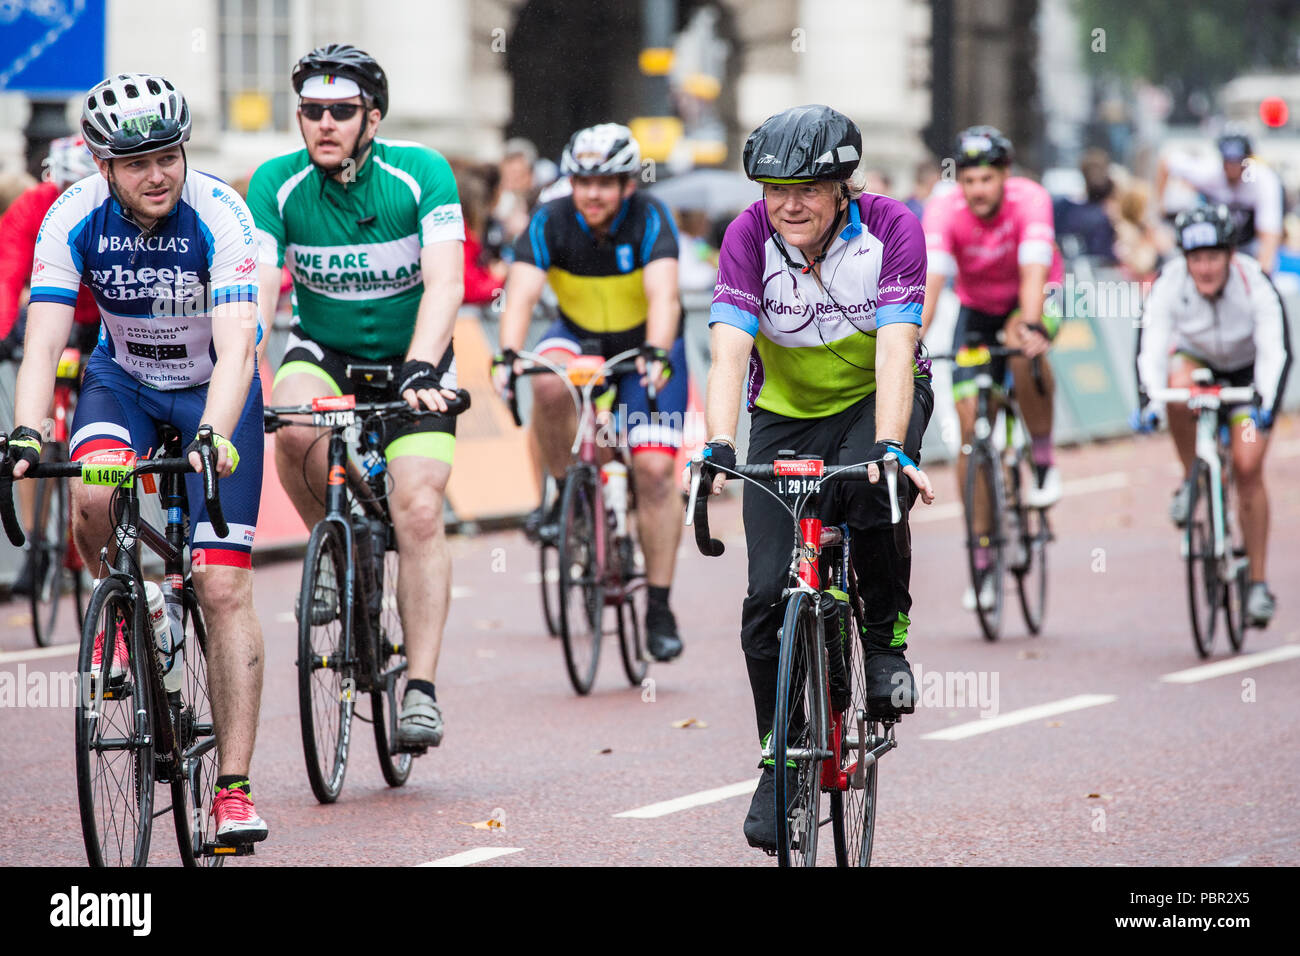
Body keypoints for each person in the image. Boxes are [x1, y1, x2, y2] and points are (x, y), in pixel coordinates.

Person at [8, 73, 268, 843]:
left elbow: (237, 351)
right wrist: (26, 430)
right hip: (123, 382)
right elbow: (45, 337)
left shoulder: (221, 212)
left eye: (168, 156)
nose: (157, 174)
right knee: (92, 496)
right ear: (102, 164)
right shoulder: (71, 216)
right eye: (136, 162)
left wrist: (215, 433)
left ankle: (232, 790)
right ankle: (136, 603)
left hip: (211, 388)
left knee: (222, 587)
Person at [704, 104, 935, 852]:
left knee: (873, 486)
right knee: (768, 593)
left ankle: (884, 640)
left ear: (844, 188)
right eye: (775, 190)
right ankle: (779, 755)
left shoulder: (893, 229)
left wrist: (894, 448)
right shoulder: (748, 237)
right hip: (784, 415)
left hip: (877, 396)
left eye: (808, 189)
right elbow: (727, 350)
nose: (789, 205)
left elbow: (897, 349)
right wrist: (715, 441)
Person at [248, 44, 465, 750]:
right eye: (311, 111)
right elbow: (254, 290)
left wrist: (424, 367)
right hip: (326, 352)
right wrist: (239, 368)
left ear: (373, 117)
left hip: (412, 362)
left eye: (342, 111)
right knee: (293, 425)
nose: (324, 124)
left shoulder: (421, 172)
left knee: (420, 509)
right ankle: (332, 547)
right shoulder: (276, 184)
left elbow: (447, 282)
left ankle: (422, 691)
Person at [491, 122, 688, 662]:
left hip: (647, 343)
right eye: (582, 181)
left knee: (651, 472)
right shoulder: (550, 219)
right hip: (576, 336)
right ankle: (564, 493)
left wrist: (655, 350)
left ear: (628, 184)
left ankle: (661, 609)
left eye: (605, 182)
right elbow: (522, 295)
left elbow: (665, 297)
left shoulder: (651, 217)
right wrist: (506, 355)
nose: (592, 193)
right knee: (548, 384)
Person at [920, 125, 1064, 612]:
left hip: (1035, 294)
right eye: (968, 180)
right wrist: (909, 343)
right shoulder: (944, 209)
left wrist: (1029, 326)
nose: (977, 190)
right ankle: (982, 559)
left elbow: (1032, 271)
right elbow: (932, 286)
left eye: (986, 179)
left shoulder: (1030, 200)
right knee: (967, 428)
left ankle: (1042, 459)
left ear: (1005, 175)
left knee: (1022, 349)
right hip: (976, 311)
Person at [1135, 204, 1291, 626]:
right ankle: (1192, 477)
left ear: (1230, 254)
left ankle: (1257, 583)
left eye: (1213, 257)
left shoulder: (1253, 281)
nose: (1204, 267)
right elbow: (1150, 346)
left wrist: (1265, 406)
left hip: (1245, 374)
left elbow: (1277, 351)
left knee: (1247, 467)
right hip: (1196, 361)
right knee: (1177, 388)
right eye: (1196, 258)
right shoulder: (1171, 282)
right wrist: (1147, 400)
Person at [0, 135, 102, 597]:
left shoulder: (112, 207)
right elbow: (7, 274)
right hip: (53, 314)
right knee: (31, 429)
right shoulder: (31, 207)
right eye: (64, 190)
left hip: (101, 315)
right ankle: (38, 547)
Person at [1157, 131, 1284, 275]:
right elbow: (1166, 162)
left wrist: (1262, 276)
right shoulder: (1209, 172)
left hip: (1248, 244)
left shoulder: (1263, 181)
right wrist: (1160, 208)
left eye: (1238, 161)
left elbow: (1269, 236)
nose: (1232, 167)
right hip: (1212, 244)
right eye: (1228, 161)